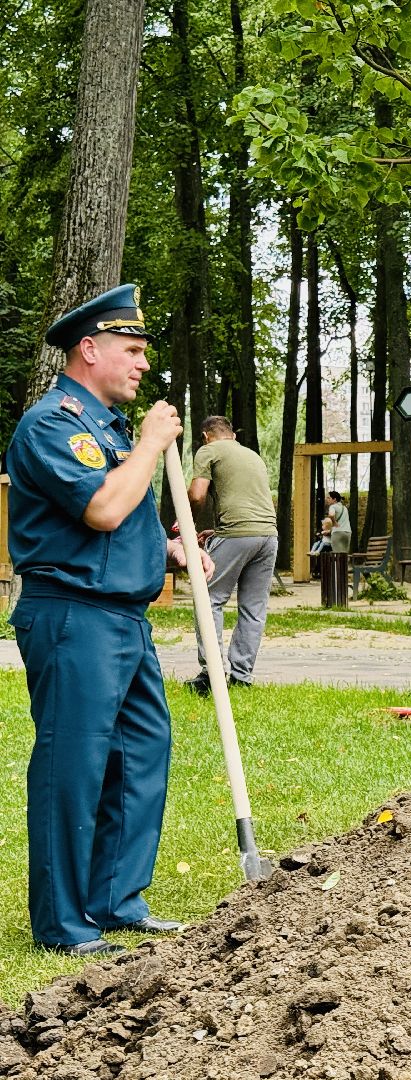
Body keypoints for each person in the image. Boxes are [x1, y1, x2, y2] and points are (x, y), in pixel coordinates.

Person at [5, 284, 210, 956]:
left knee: (141, 753)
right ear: (89, 350)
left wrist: (171, 551)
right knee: (75, 764)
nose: (144, 363)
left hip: (124, 619)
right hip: (73, 615)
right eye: (133, 350)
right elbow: (101, 509)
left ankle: (115, 899)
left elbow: (124, 520)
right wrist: (150, 443)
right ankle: (64, 923)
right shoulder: (52, 425)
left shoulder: (110, 430)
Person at [185, 415, 279, 695]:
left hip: (238, 533)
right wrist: (218, 531)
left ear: (206, 436)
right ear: (233, 435)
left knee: (208, 598)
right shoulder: (251, 455)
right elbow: (249, 502)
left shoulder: (208, 450)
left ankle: (211, 675)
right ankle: (242, 677)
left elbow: (197, 495)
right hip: (268, 536)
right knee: (253, 608)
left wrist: (187, 525)